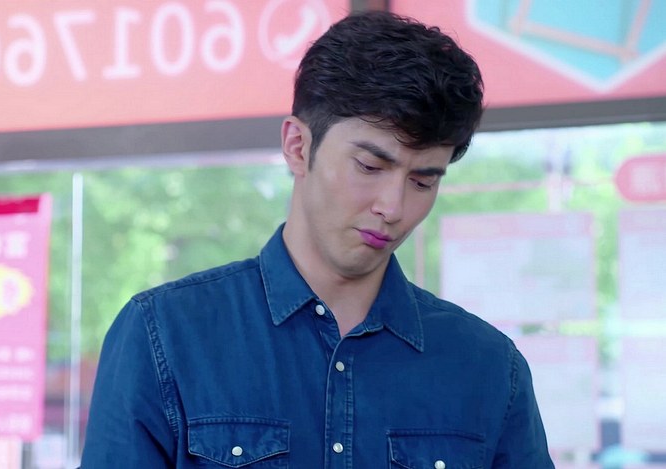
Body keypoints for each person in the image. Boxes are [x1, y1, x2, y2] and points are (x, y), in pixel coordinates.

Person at [80, 10, 554, 468]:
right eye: (370, 166)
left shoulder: (490, 368)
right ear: (297, 147)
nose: (393, 207)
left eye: (422, 181)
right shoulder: (165, 335)